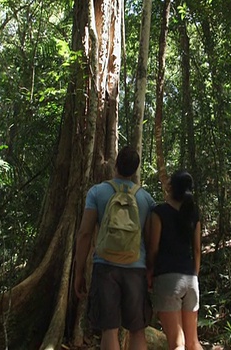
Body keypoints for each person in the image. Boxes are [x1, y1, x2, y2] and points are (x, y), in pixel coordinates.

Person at [73, 146, 156, 350]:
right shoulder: (146, 199)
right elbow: (151, 241)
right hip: (136, 268)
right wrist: (150, 272)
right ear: (135, 170)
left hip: (105, 267)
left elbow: (84, 234)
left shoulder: (97, 192)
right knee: (137, 330)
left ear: (116, 164)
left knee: (109, 330)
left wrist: (79, 271)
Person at [146, 170, 204, 350]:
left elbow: (153, 248)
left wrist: (149, 273)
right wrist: (194, 273)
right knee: (193, 342)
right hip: (190, 280)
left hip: (167, 279)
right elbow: (197, 249)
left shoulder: (159, 212)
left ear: (171, 187)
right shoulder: (193, 213)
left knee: (177, 343)